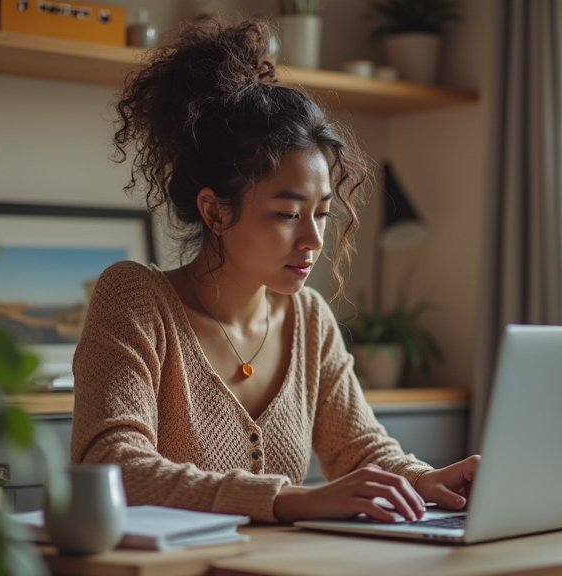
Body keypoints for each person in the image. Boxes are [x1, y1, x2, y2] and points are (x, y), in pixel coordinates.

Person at [70, 18, 479, 524]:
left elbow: (360, 448)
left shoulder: (308, 318)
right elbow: (111, 466)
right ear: (215, 211)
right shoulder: (135, 299)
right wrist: (286, 499)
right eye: (287, 215)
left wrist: (425, 480)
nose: (313, 240)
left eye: (323, 213)